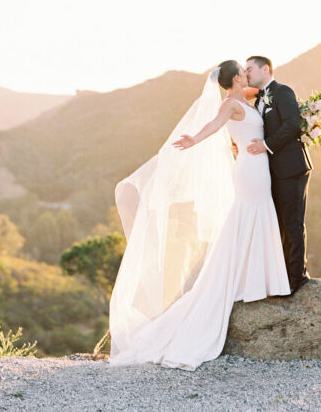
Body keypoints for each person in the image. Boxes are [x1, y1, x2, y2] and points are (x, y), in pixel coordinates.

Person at [107, 60, 290, 371]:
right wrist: (194, 139)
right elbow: (214, 125)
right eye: (243, 71)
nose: (248, 73)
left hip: (257, 166)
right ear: (235, 78)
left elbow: (259, 105)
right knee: (249, 215)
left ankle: (256, 279)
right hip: (249, 169)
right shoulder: (231, 104)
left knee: (257, 214)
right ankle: (247, 282)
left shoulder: (246, 98)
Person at [244, 55, 313, 294]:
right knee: (280, 224)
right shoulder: (258, 102)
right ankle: (283, 275)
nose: (247, 73)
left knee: (293, 223)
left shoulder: (283, 92)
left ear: (265, 69)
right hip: (273, 172)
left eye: (250, 69)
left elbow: (292, 124)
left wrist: (266, 144)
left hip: (292, 168)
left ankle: (297, 277)